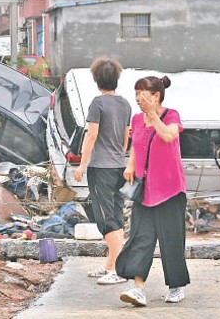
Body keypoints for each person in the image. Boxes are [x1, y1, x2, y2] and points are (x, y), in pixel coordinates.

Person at [116, 75, 190, 306]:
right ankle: (138, 287)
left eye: (142, 93)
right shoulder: (137, 119)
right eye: (136, 93)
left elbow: (168, 135)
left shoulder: (171, 115)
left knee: (171, 239)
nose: (138, 98)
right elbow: (137, 146)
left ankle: (176, 286)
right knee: (141, 237)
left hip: (170, 189)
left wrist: (153, 115)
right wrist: (130, 165)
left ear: (156, 95)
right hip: (145, 190)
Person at [74, 57, 131, 285]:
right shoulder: (125, 103)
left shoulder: (97, 103)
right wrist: (119, 153)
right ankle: (110, 266)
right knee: (115, 215)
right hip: (119, 166)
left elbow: (92, 135)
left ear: (97, 80)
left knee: (106, 220)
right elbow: (127, 138)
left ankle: (119, 270)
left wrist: (82, 165)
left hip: (101, 168)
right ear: (115, 79)